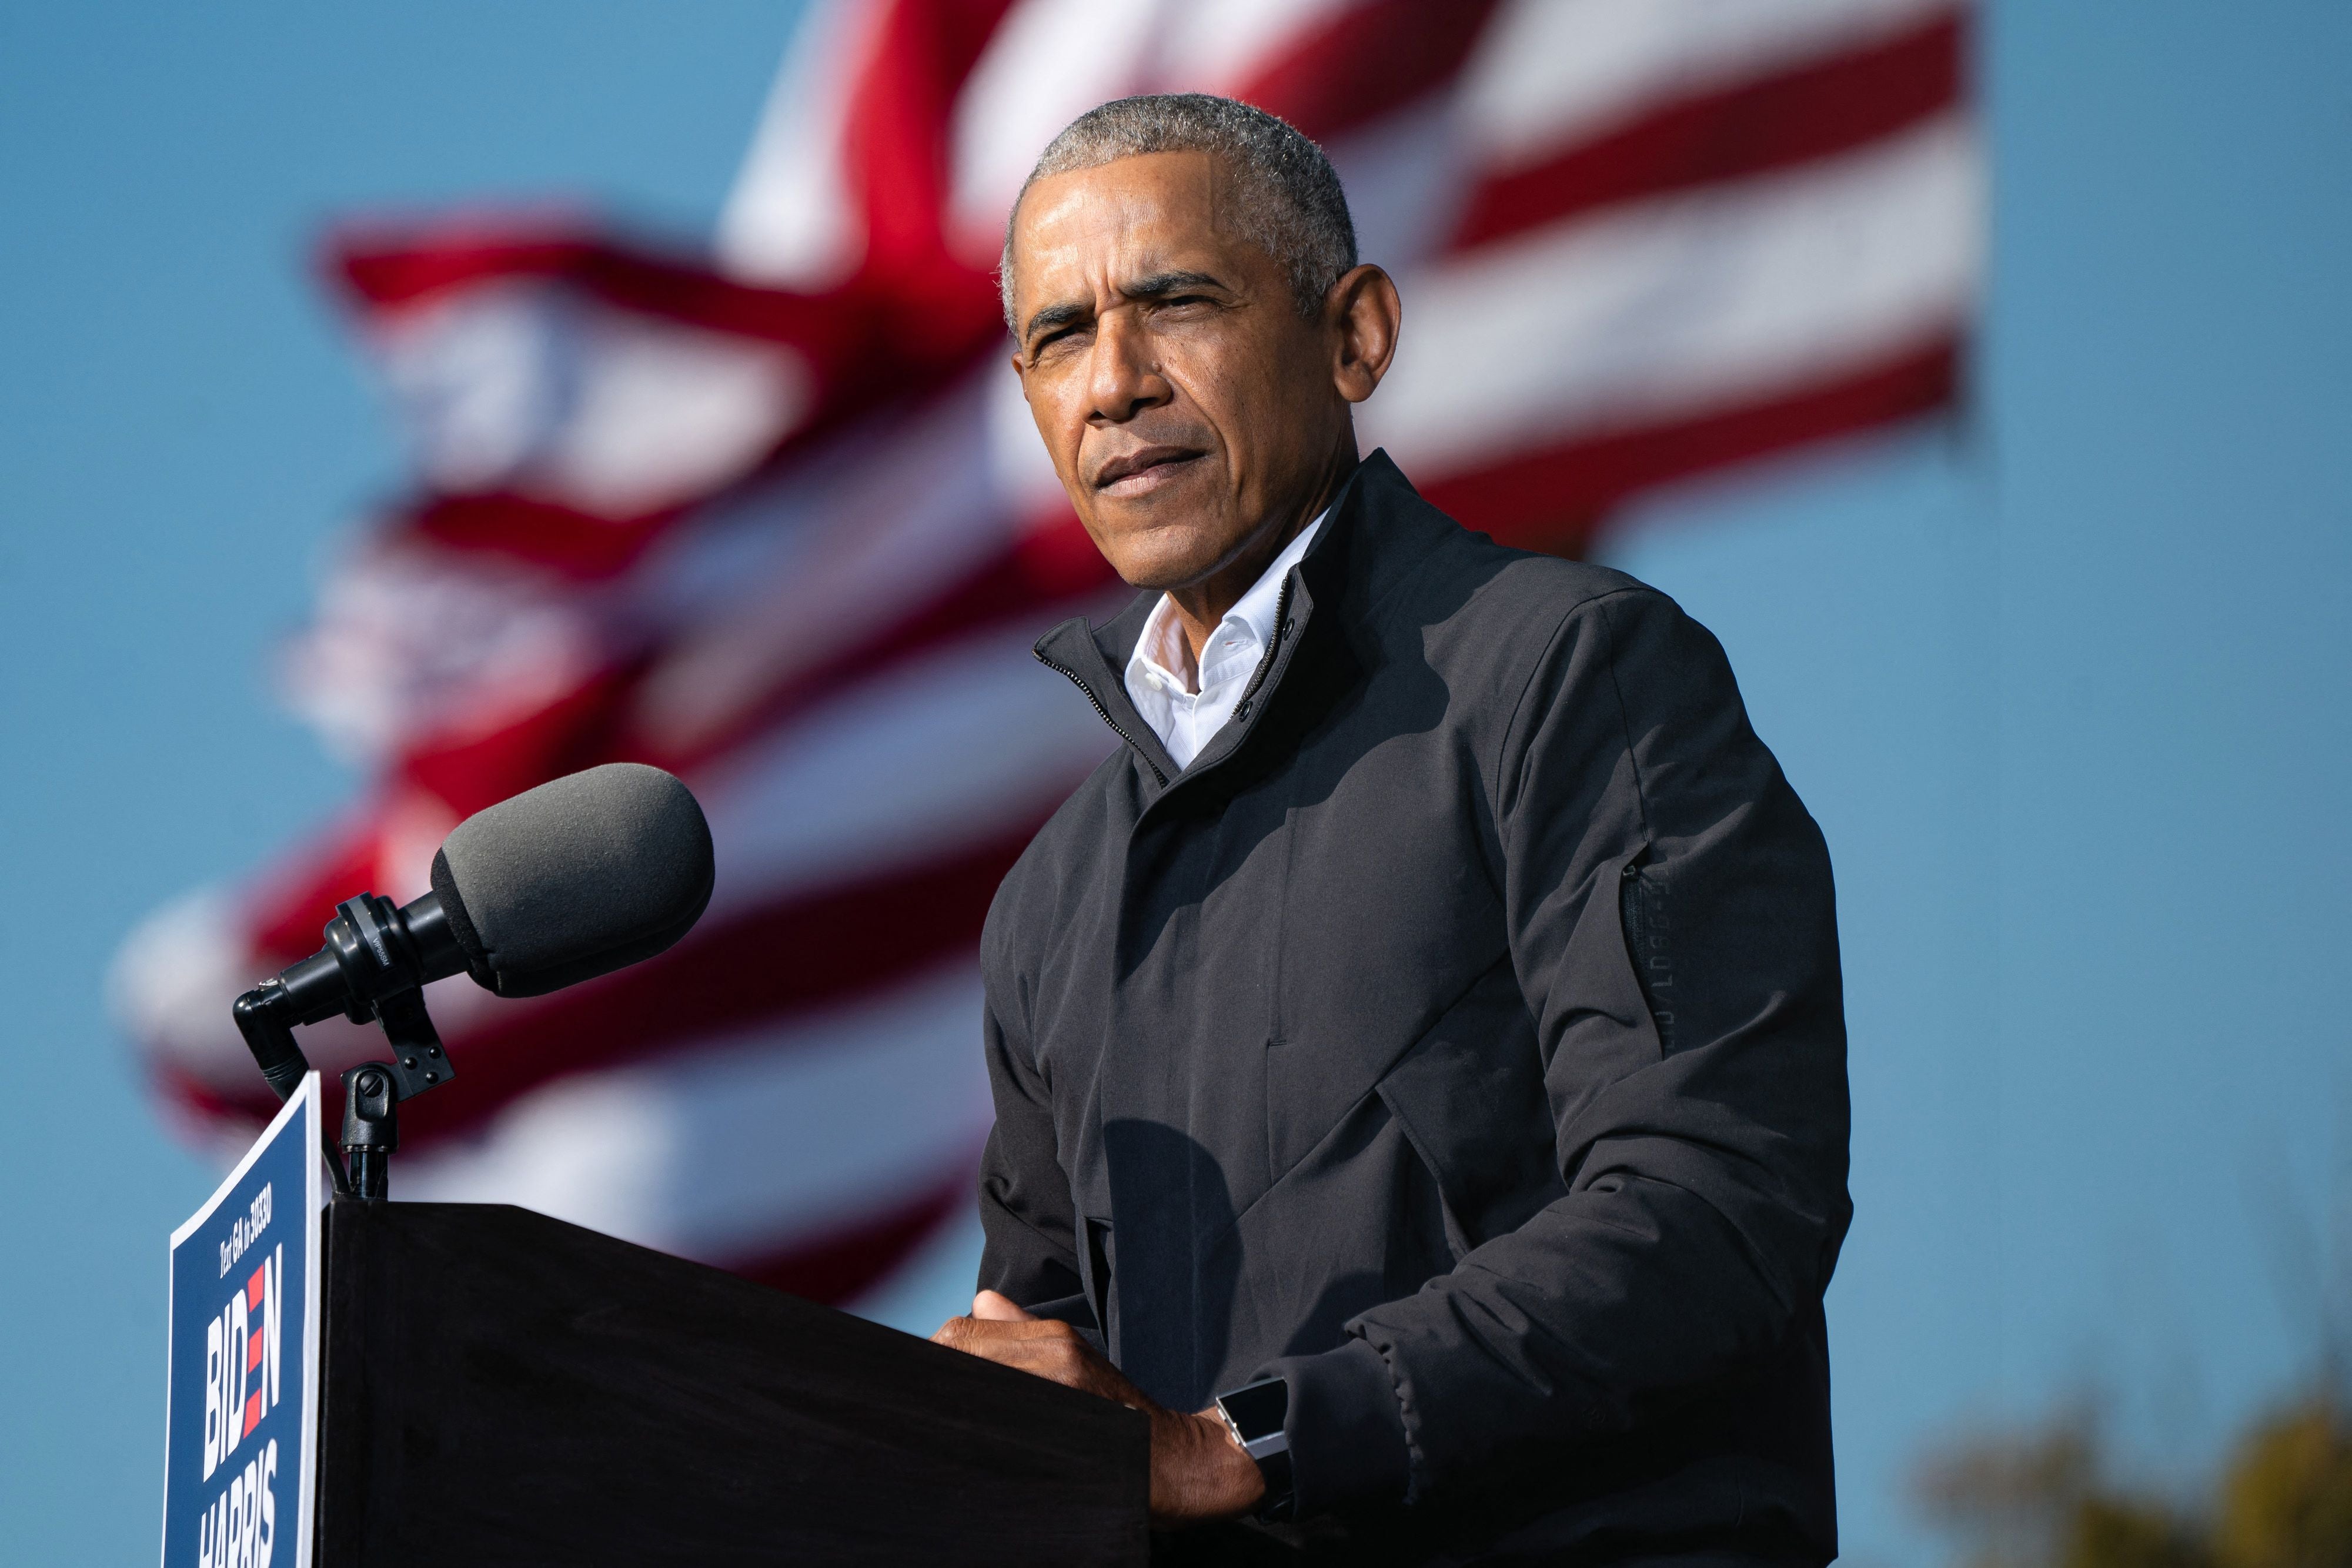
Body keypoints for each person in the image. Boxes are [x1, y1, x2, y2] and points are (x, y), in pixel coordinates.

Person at [931, 93, 1851, 1566]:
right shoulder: (1048, 902)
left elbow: (1714, 1199)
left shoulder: (1571, 670)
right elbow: (1040, 1420)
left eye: (1173, 301)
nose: (1110, 381)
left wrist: (1247, 1444)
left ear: (1352, 334)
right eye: (1056, 335)